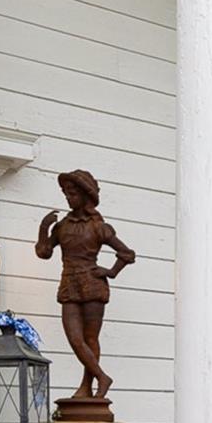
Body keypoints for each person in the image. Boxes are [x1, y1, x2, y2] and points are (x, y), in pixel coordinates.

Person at [35, 170, 135, 402]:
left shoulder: (98, 227)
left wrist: (110, 272)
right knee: (74, 338)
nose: (68, 198)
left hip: (92, 284)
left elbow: (127, 253)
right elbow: (44, 253)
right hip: (69, 283)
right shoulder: (62, 226)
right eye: (66, 194)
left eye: (72, 194)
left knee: (90, 339)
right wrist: (43, 229)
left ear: (84, 196)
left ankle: (86, 387)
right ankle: (102, 376)